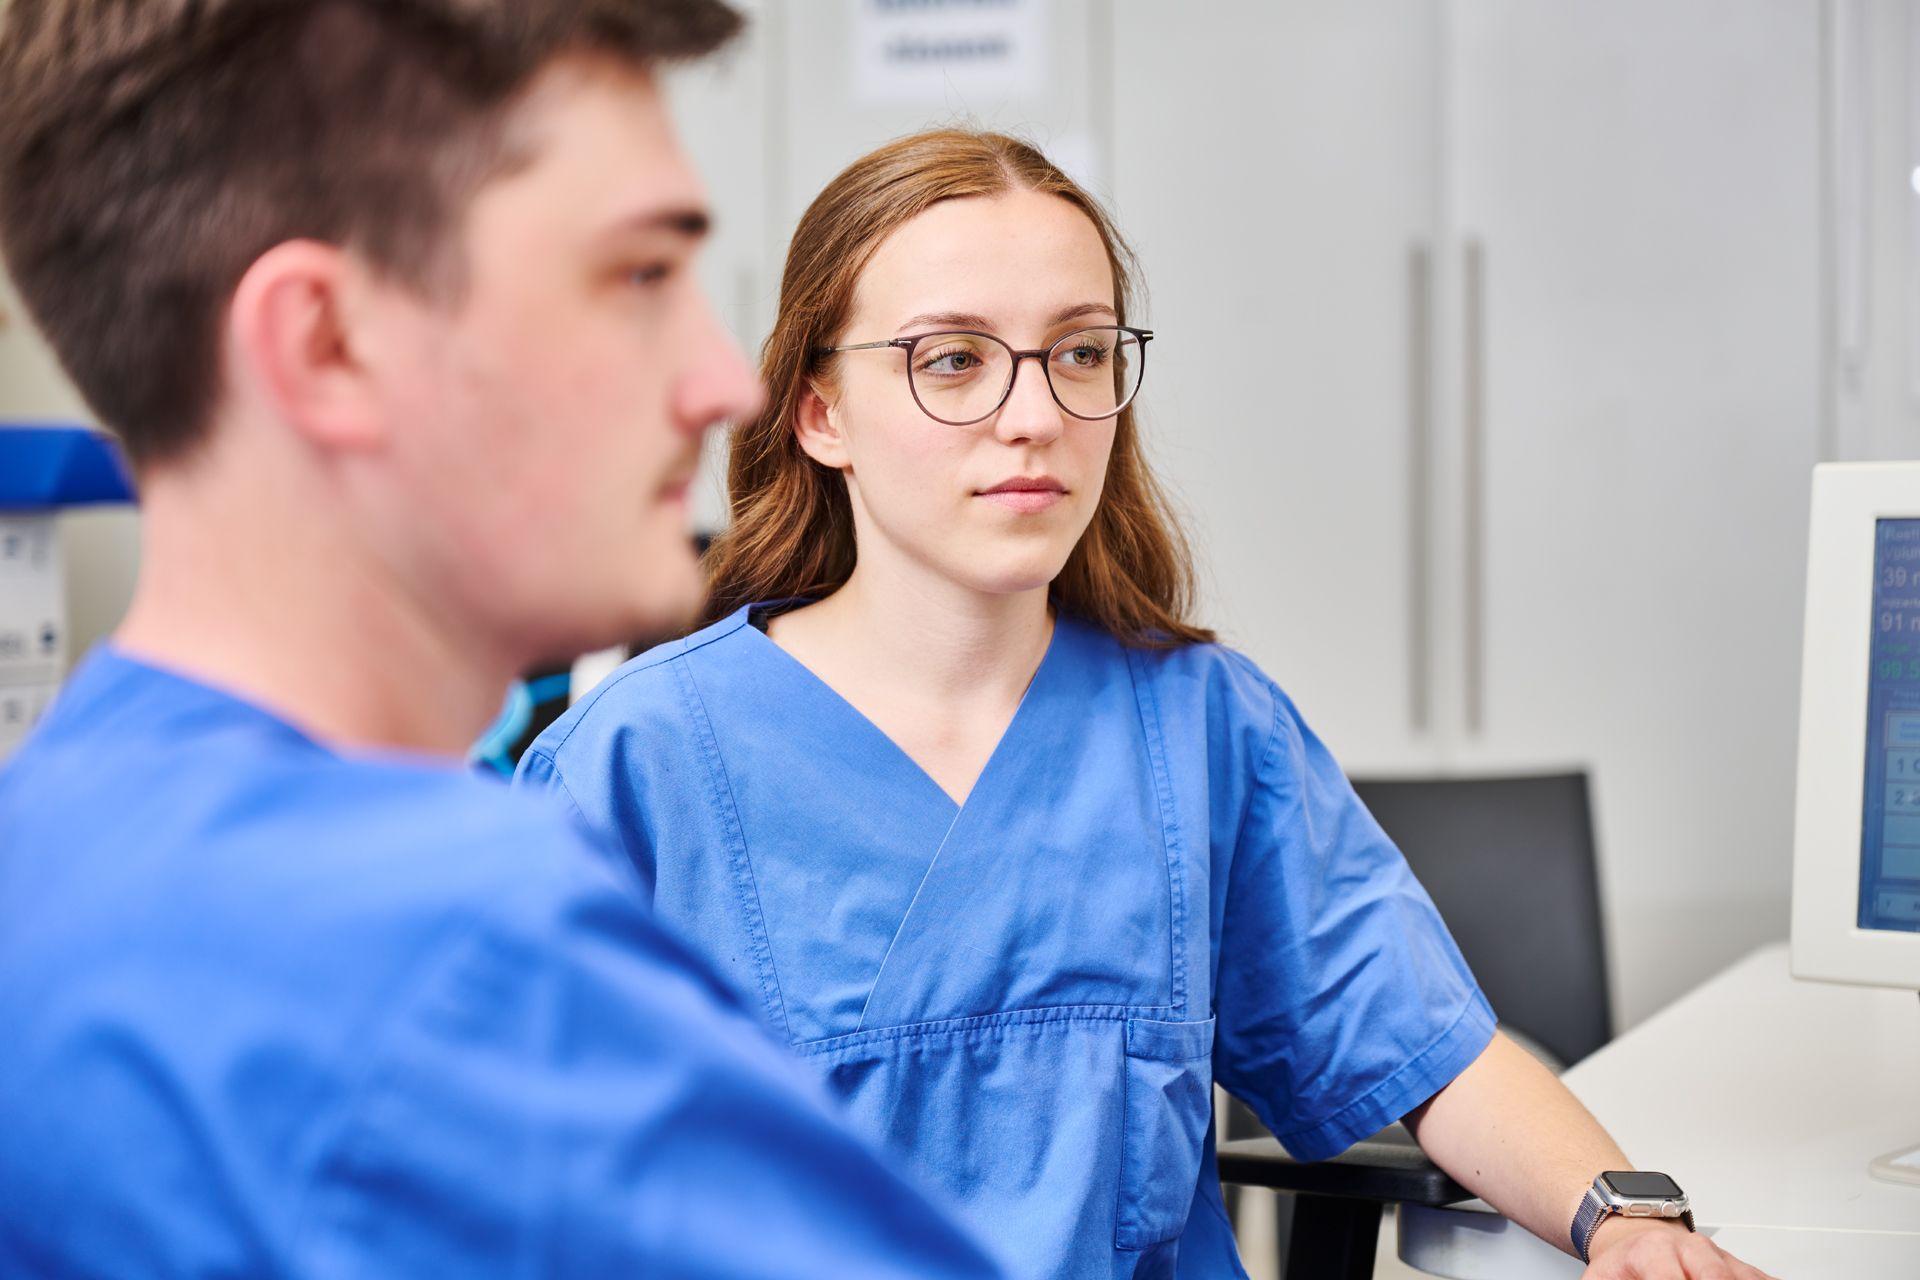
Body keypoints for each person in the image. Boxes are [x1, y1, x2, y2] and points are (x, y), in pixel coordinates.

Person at [520, 129, 1777, 1280]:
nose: (1034, 417)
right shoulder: (640, 766)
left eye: (1078, 353)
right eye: (953, 359)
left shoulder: (1202, 727)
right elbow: (516, 1188)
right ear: (820, 410)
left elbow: (1427, 1047)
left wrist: (1627, 1217)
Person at [0, 5, 1003, 1276]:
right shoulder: (469, 958)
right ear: (326, 342)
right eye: (640, 274)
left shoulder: (49, 842)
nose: (725, 383)